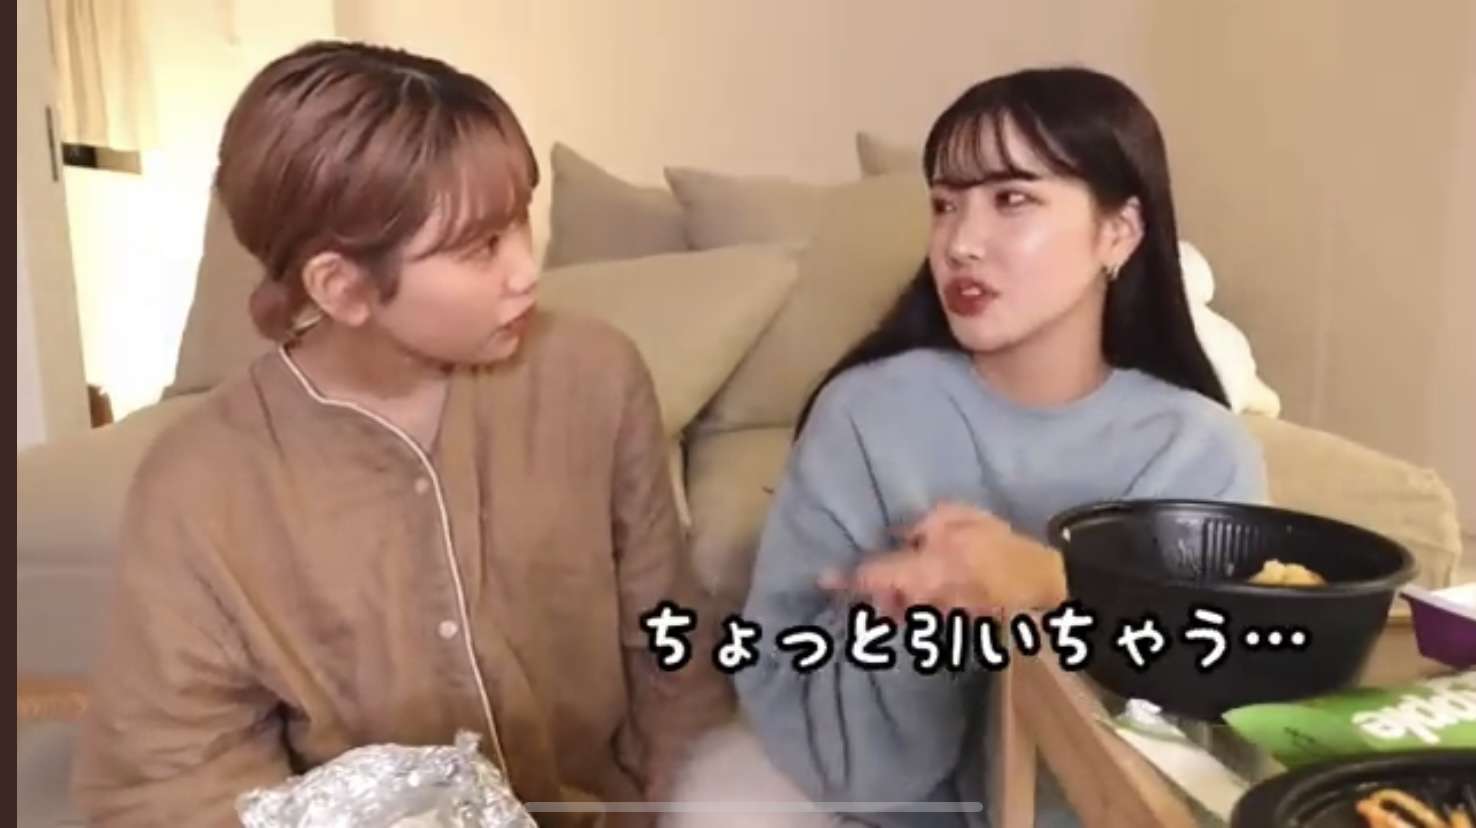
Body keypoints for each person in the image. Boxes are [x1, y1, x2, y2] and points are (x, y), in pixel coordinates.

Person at [73, 41, 731, 827]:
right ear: (341, 286)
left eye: (520, 220)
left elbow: (671, 655)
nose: (526, 270)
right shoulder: (200, 489)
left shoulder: (594, 375)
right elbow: (174, 787)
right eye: (481, 247)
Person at [670, 67, 1267, 827]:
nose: (961, 243)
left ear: (1118, 232)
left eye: (1012, 199)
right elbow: (803, 712)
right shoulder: (866, 413)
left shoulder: (1200, 451)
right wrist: (915, 630)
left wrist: (1052, 588)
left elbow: (1202, 750)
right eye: (945, 204)